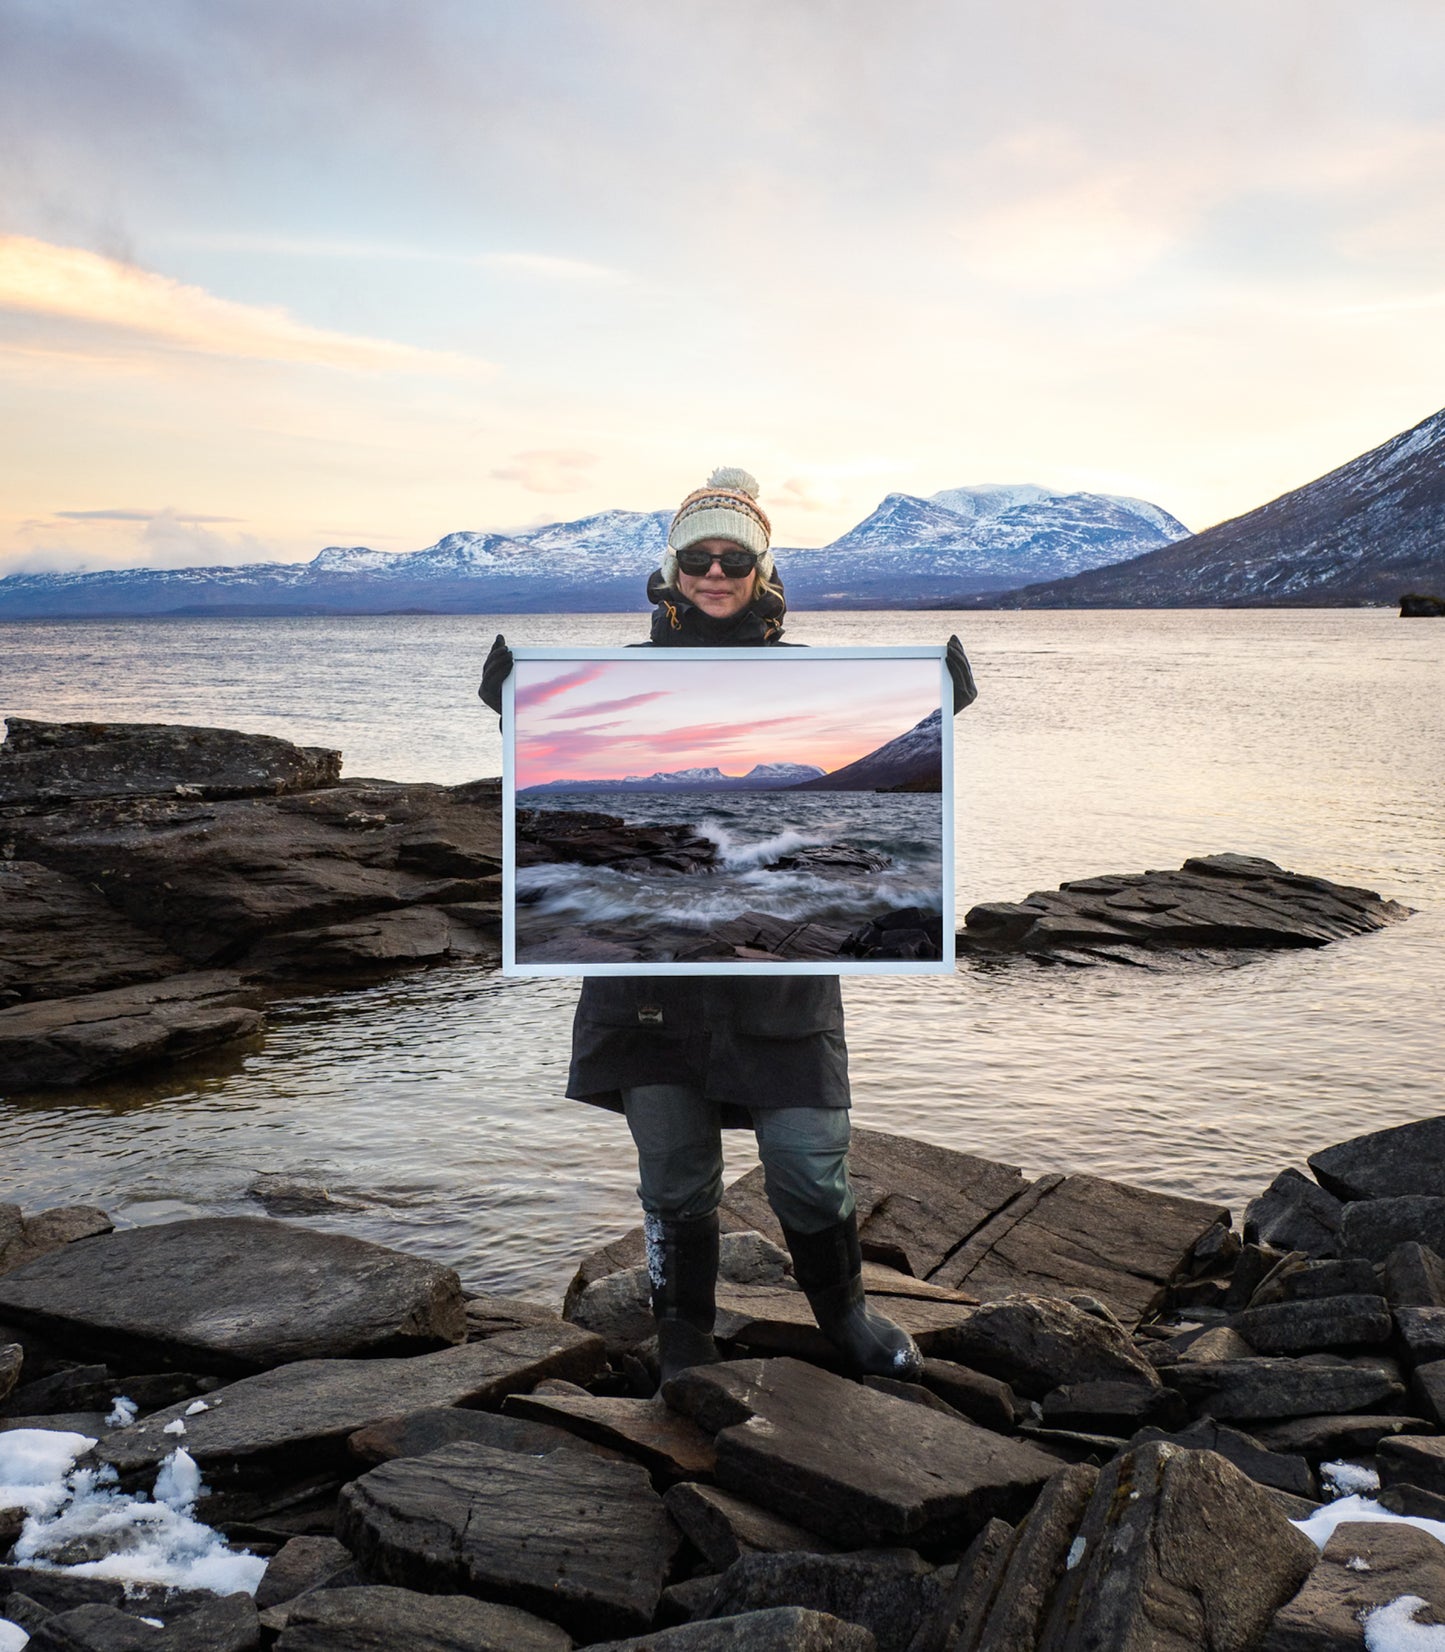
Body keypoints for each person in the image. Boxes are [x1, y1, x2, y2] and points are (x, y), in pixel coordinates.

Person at [481, 466, 977, 1388]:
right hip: (649, 993)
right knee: (673, 1177)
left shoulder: (815, 672)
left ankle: (847, 1316)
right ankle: (684, 1336)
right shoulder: (611, 670)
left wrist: (950, 708)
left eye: (733, 557)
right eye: (697, 558)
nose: (715, 572)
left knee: (808, 1167)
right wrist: (504, 709)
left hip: (782, 992)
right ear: (670, 572)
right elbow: (527, 783)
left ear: (762, 569)